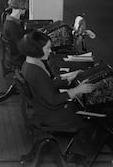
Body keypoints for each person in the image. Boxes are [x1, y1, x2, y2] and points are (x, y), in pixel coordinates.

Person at [18, 31, 105, 162]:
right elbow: (53, 100)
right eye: (47, 48)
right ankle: (87, 157)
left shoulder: (29, 64)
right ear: (36, 50)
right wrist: (77, 90)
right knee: (93, 120)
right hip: (52, 114)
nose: (50, 51)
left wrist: (68, 78)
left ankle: (81, 150)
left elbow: (46, 87)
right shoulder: (35, 71)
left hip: (42, 110)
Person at [0, 0, 27, 103]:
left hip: (11, 55)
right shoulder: (13, 26)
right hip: (17, 56)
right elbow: (21, 47)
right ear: (21, 8)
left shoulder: (10, 20)